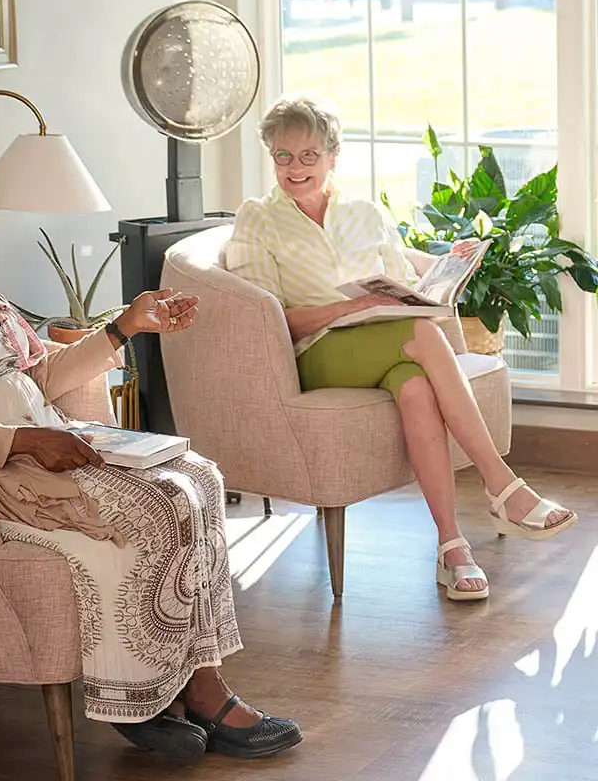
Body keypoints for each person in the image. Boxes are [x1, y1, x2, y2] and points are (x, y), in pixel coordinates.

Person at [0, 138, 302, 763]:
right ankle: (159, 697)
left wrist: (126, 325)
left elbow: (41, 376)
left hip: (49, 445)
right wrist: (24, 440)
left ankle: (189, 682)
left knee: (199, 478)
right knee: (155, 508)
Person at [225, 94, 577, 603]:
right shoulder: (257, 219)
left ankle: (452, 549)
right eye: (283, 156)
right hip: (316, 350)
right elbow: (272, 317)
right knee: (423, 337)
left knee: (415, 390)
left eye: (307, 156)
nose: (294, 168)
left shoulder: (365, 213)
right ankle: (502, 485)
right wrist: (348, 309)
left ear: (332, 156)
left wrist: (448, 264)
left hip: (385, 339)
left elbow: (401, 276)